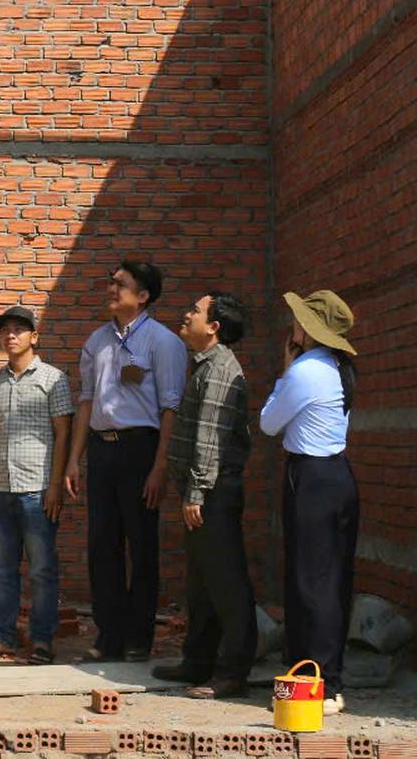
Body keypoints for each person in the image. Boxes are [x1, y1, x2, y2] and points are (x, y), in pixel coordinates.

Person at [63, 259, 187, 662]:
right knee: (103, 545)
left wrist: (160, 467)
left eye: (121, 284)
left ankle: (138, 638)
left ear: (144, 295)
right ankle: (109, 635)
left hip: (140, 450)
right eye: (111, 282)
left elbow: (171, 407)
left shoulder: (163, 342)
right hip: (102, 449)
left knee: (142, 544)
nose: (112, 289)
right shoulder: (96, 341)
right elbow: (86, 401)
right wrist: (74, 460)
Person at [260, 289, 360, 716]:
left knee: (310, 582)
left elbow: (268, 423)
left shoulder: (305, 371)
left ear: (309, 329)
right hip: (338, 476)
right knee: (333, 580)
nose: (293, 324)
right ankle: (324, 677)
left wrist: (284, 372)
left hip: (311, 478)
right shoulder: (338, 367)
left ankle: (319, 683)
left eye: (299, 319)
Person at [152, 292, 257, 698]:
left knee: (226, 583)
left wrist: (196, 491)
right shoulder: (205, 365)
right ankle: (198, 662)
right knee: (201, 583)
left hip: (213, 492)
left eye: (195, 311)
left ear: (213, 327)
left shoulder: (220, 370)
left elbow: (209, 437)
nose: (186, 314)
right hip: (204, 489)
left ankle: (232, 672)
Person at [0, 305, 75, 663]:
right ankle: (3, 635)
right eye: (6, 330)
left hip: (37, 488)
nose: (11, 335)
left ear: (34, 337)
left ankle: (42, 639)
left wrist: (55, 486)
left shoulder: (53, 379)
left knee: (42, 570)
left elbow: (63, 434)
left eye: (19, 329)